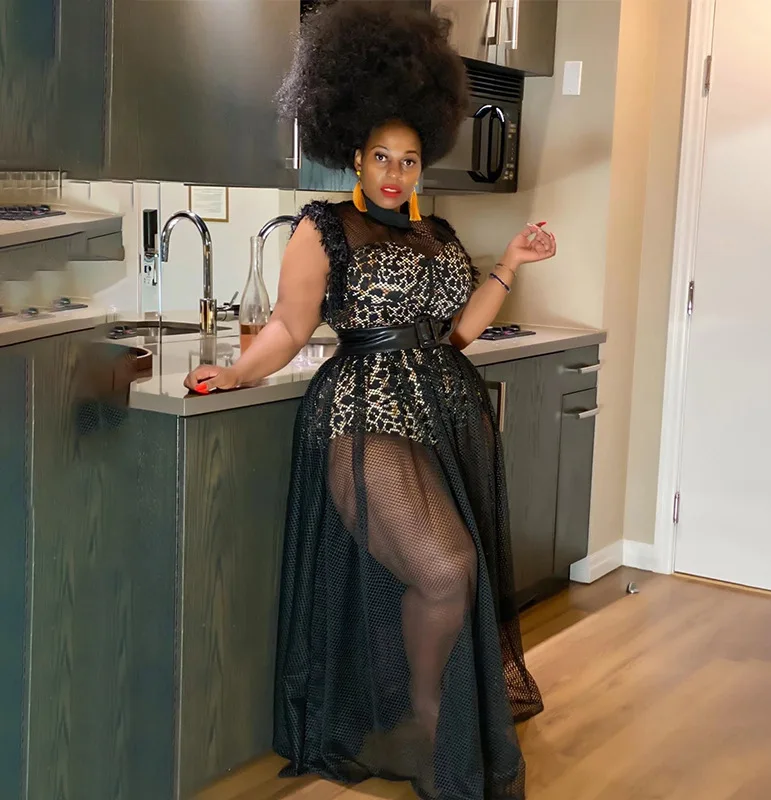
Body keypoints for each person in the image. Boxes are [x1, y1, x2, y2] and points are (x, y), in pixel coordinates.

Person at [184, 3, 556, 798]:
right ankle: (426, 717)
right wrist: (239, 372)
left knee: (452, 574)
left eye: (409, 160)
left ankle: (417, 719)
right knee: (448, 569)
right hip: (364, 415)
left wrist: (511, 263)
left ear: (423, 166)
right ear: (354, 154)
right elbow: (289, 326)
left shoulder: (439, 235)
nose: (394, 172)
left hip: (440, 419)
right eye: (382, 156)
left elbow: (457, 334)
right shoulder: (323, 227)